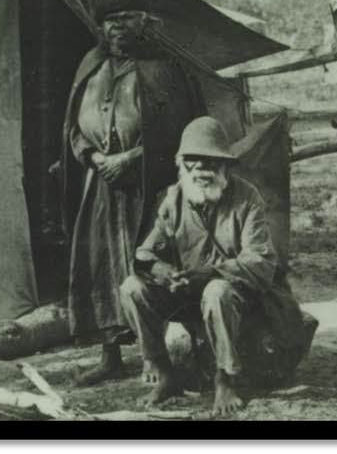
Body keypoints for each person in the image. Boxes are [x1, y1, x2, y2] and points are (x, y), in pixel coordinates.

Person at [61, 0, 205, 386]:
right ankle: (110, 356)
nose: (118, 25)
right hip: (101, 188)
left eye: (128, 16)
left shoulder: (167, 68)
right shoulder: (90, 65)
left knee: (148, 266)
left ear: (146, 21)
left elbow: (182, 132)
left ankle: (152, 356)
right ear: (101, 27)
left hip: (151, 188)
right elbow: (73, 129)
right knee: (100, 266)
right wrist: (93, 158)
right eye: (111, 19)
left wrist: (131, 157)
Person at [120, 116, 308, 416]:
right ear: (182, 164)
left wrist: (209, 273)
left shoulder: (247, 198)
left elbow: (260, 261)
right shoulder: (174, 198)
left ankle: (225, 379)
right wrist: (163, 271)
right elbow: (144, 254)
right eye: (194, 161)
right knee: (132, 288)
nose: (203, 170)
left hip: (241, 298)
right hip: (188, 294)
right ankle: (164, 370)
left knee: (217, 290)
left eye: (211, 162)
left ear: (225, 166)